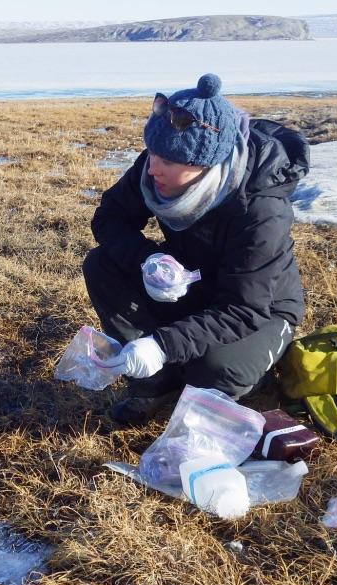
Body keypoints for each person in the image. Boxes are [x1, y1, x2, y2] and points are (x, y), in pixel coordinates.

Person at [85, 73, 310, 425]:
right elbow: (109, 218)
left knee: (211, 369)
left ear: (206, 165)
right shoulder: (155, 163)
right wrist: (149, 260)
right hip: (191, 283)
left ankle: (248, 370)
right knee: (102, 264)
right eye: (153, 153)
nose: (153, 167)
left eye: (169, 161)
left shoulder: (260, 209)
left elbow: (243, 308)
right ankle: (152, 386)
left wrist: (161, 345)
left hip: (261, 310)